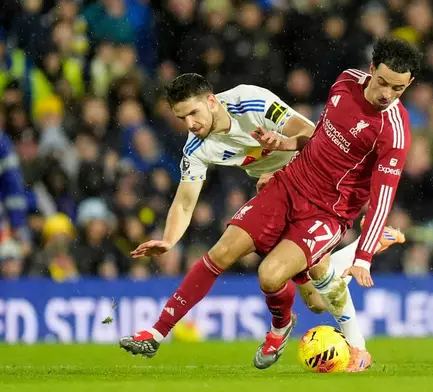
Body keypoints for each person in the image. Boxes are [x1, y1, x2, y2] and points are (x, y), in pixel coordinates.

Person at [119, 70, 405, 371]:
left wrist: (284, 149)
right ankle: (157, 333)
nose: (190, 124)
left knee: (317, 299)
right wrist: (169, 240)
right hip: (276, 194)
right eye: (182, 119)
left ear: (212, 101)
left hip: (313, 185)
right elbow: (185, 200)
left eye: (193, 113)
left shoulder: (250, 101)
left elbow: (312, 135)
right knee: (224, 253)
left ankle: (364, 247)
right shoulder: (195, 147)